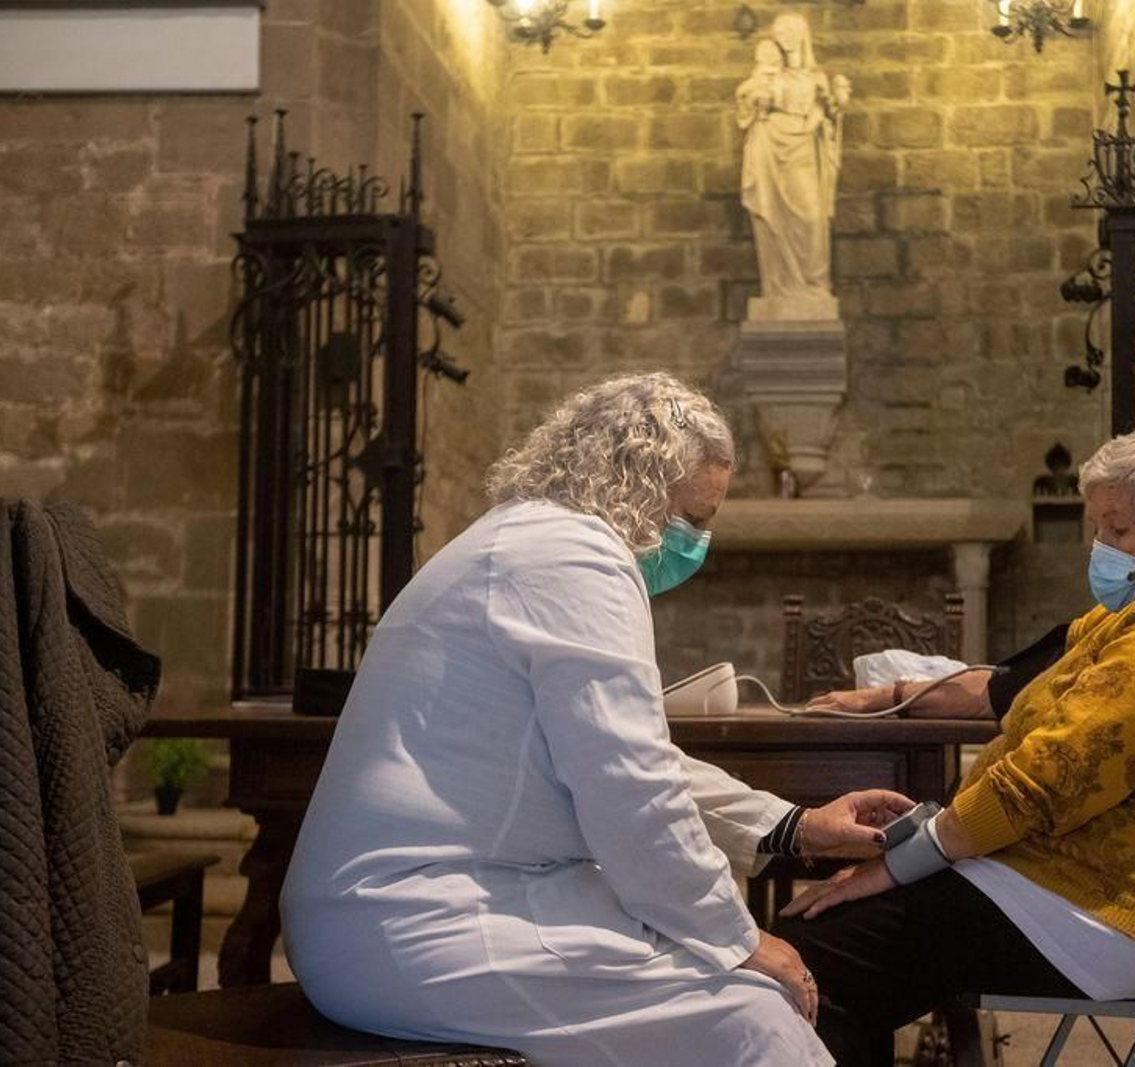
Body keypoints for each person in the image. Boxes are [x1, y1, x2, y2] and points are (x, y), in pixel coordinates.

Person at [280, 373, 912, 1066]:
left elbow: (629, 758)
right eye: (692, 518)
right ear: (638, 482)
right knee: (753, 1014)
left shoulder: (528, 539)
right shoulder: (575, 559)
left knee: (714, 973)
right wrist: (740, 937)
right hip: (420, 921)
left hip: (415, 902)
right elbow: (630, 786)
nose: (697, 541)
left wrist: (795, 825)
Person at [776, 426, 1135, 1065]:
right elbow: (1020, 683)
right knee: (829, 936)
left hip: (1115, 908)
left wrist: (893, 866)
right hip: (1078, 878)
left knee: (803, 959)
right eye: (1096, 528)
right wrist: (894, 701)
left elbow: (1034, 787)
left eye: (1118, 529)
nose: (1100, 548)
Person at [736, 13, 850, 312]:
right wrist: (756, 99)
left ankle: (813, 286)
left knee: (812, 216)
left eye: (789, 30)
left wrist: (833, 108)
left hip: (803, 151)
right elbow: (745, 101)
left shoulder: (816, 77)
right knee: (771, 218)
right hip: (769, 148)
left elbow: (829, 119)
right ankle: (777, 289)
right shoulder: (768, 74)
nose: (783, 36)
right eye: (779, 31)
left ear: (802, 35)